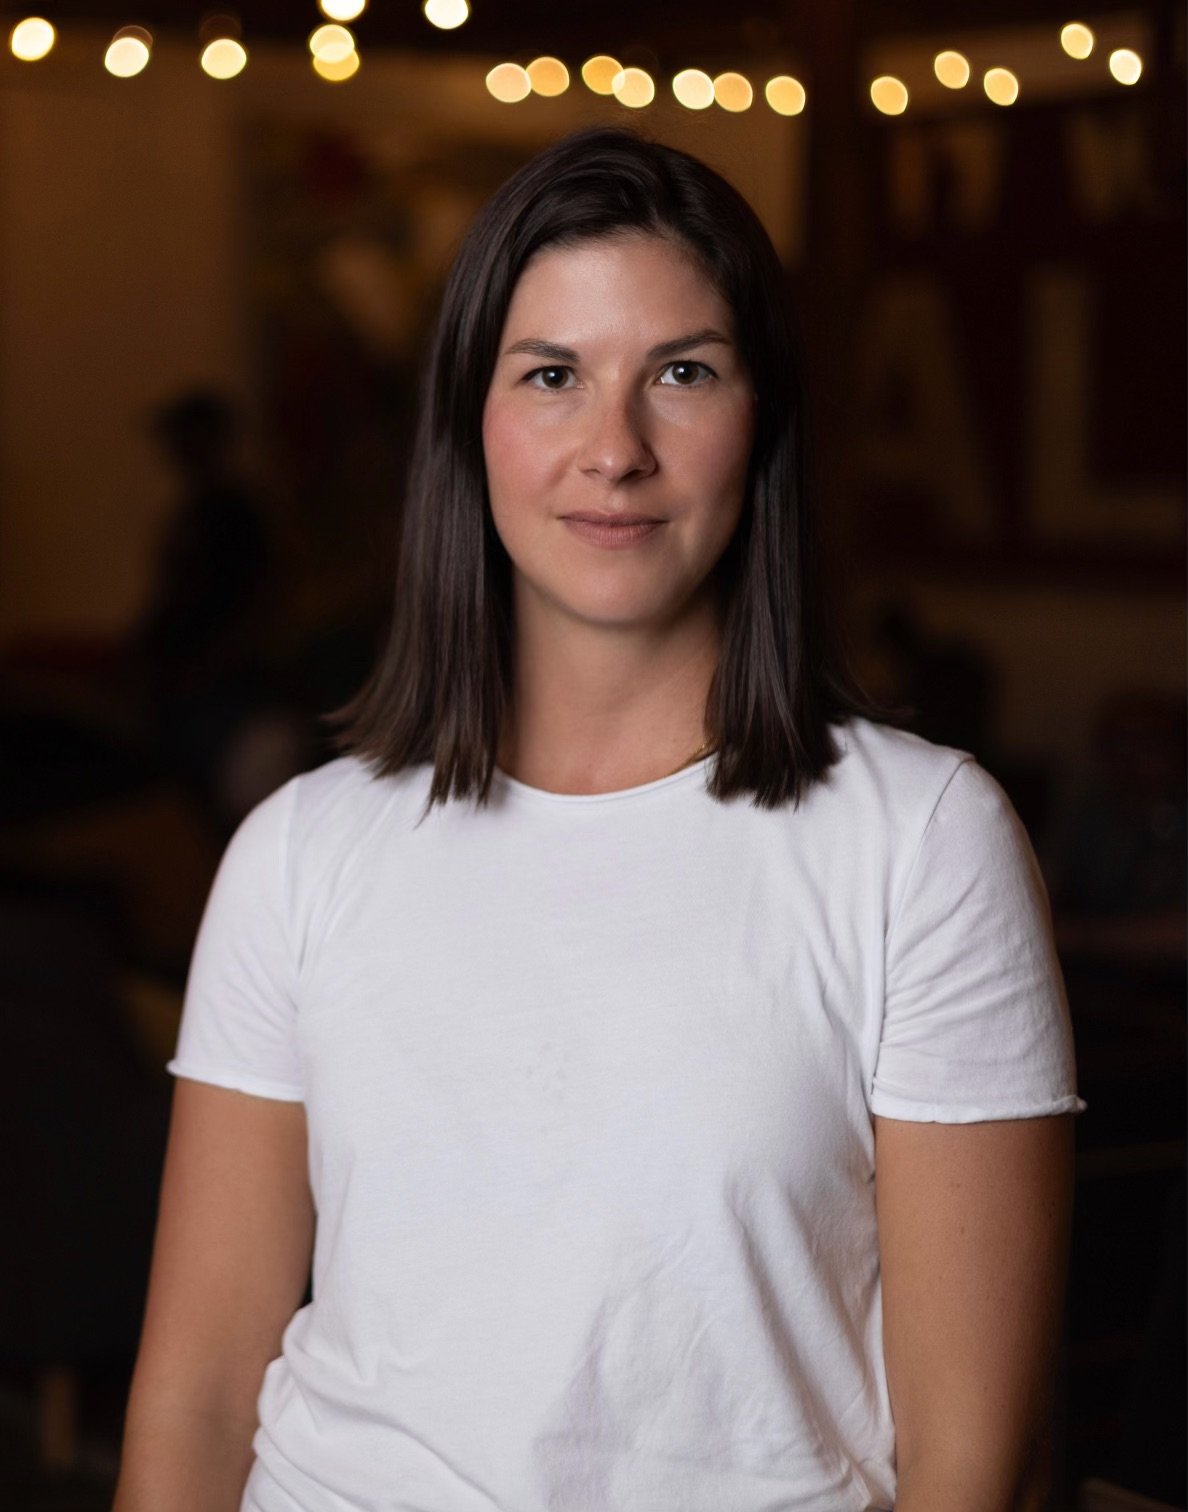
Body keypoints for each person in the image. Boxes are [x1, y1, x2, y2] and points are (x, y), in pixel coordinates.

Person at [113, 125, 1086, 1512]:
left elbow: (968, 1464)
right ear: (472, 424)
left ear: (763, 424)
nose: (613, 449)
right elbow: (200, 1403)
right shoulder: (301, 853)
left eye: (682, 373)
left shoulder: (920, 841)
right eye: (553, 376)